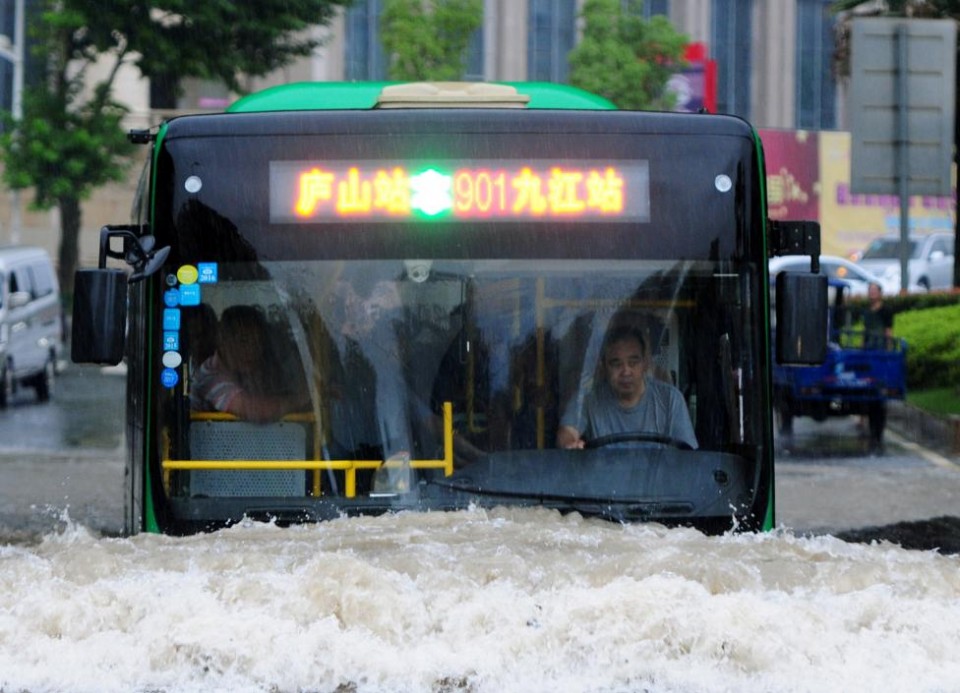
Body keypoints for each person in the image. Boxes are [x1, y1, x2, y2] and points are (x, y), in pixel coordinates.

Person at [556, 324, 697, 450]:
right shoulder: (588, 399)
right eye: (616, 364)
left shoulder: (670, 399)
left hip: (656, 478)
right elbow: (567, 432)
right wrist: (570, 445)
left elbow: (686, 455)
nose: (626, 372)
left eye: (633, 363)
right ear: (603, 366)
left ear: (645, 364)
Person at [190, 305, 310, 423]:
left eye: (258, 342)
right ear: (222, 340)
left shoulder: (247, 372)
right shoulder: (210, 377)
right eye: (244, 340)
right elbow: (255, 411)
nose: (251, 350)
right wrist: (301, 399)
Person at [863, 282, 894, 350]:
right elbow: (865, 329)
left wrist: (889, 347)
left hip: (881, 347)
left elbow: (888, 330)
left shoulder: (886, 310)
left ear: (880, 293)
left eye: (874, 290)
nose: (872, 292)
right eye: (870, 290)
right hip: (867, 347)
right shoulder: (866, 311)